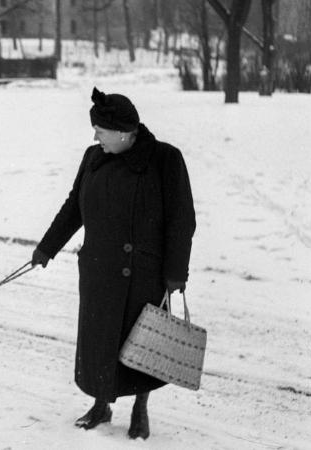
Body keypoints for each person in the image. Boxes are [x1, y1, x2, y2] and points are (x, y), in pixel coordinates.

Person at [31, 87, 196, 440]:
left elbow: (182, 221)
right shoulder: (94, 157)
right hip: (98, 270)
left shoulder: (165, 160)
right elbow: (74, 206)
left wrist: (175, 274)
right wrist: (47, 247)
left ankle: (140, 407)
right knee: (98, 344)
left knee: (139, 344)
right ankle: (101, 403)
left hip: (142, 274)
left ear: (124, 132)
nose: (95, 137)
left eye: (101, 131)